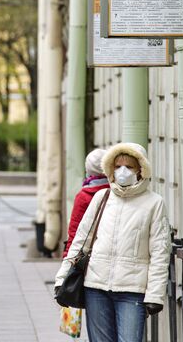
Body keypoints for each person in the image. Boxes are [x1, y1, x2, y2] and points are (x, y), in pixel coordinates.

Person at [55, 142, 171, 342]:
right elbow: (80, 240)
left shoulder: (154, 203)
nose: (122, 171)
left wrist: (155, 294)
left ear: (140, 170)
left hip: (132, 291)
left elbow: (160, 252)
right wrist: (62, 277)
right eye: (117, 166)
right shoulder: (102, 197)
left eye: (129, 166)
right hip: (95, 288)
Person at [62, 148, 109, 257]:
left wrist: (67, 256)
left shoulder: (84, 196)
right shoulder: (119, 192)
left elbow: (75, 229)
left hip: (91, 254)